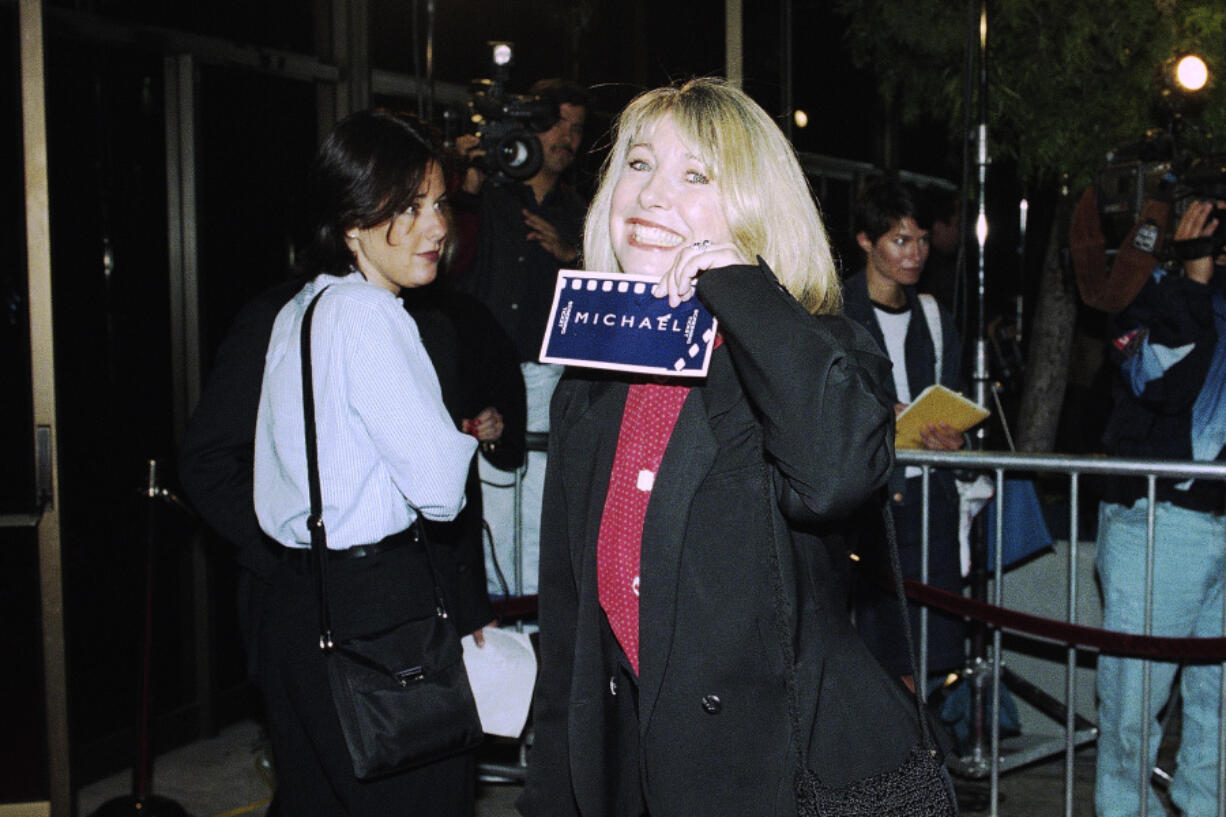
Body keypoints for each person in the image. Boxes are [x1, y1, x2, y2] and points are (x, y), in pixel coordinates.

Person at [518, 78, 930, 817]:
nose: (649, 195)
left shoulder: (825, 351)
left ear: (753, 206)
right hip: (642, 779)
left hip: (788, 778)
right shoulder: (589, 386)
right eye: (638, 166)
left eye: (695, 175)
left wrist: (738, 284)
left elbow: (834, 476)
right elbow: (571, 631)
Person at [251, 108, 486, 817]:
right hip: (377, 606)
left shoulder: (304, 310)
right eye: (407, 208)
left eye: (438, 202)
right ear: (353, 221)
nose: (435, 226)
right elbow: (443, 491)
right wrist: (462, 434)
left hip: (297, 600)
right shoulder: (372, 316)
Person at [1094, 198, 1226, 817]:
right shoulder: (1143, 291)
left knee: (1219, 707)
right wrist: (1192, 282)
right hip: (1160, 524)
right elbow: (1159, 382)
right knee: (1133, 706)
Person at [451, 78, 588, 598]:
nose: (567, 138)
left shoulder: (580, 213)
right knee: (485, 518)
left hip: (547, 383)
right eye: (558, 123)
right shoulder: (484, 194)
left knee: (540, 520)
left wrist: (576, 256)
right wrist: (466, 186)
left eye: (577, 128)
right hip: (482, 380)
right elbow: (448, 268)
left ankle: (536, 631)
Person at [843, 178, 967, 686]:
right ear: (866, 241)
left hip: (928, 502)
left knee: (928, 656)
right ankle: (898, 763)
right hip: (867, 510)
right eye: (899, 241)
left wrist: (954, 438)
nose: (914, 254)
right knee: (875, 658)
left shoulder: (933, 315)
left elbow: (953, 398)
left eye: (920, 240)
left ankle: (920, 758)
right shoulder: (835, 311)